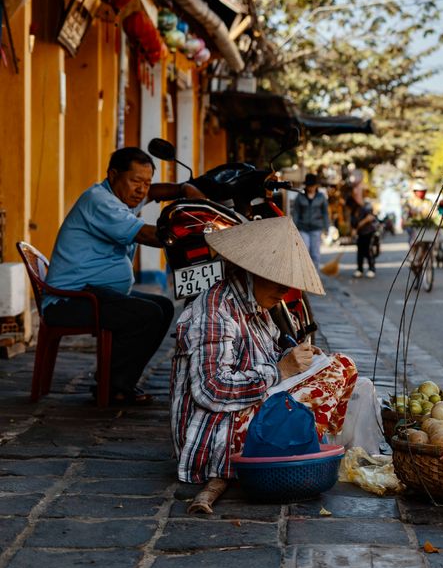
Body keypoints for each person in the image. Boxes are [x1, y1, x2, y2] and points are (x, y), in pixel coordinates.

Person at [170, 215, 358, 513]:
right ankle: (295, 445)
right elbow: (211, 388)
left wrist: (298, 354)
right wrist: (281, 370)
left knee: (339, 366)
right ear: (250, 272)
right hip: (219, 435)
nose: (285, 291)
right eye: (278, 279)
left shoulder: (256, 307)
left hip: (246, 412)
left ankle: (300, 442)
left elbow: (271, 346)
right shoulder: (214, 312)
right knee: (337, 370)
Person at [43, 147, 202, 405]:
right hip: (70, 302)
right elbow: (146, 235)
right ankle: (113, 384)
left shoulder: (120, 197)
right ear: (113, 175)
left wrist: (183, 190)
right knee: (146, 314)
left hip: (96, 294)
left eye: (146, 181)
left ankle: (118, 379)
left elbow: (154, 193)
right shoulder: (100, 200)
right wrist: (195, 233)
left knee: (162, 306)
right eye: (135, 181)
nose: (141, 189)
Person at [291, 173, 329, 270]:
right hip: (303, 228)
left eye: (312, 186)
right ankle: (305, 276)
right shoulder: (300, 197)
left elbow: (325, 213)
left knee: (315, 253)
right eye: (309, 186)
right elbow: (296, 213)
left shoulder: (321, 197)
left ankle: (315, 278)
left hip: (316, 228)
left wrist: (326, 228)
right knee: (305, 251)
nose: (310, 188)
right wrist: (293, 228)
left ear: (316, 185)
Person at [348, 197, 378, 279]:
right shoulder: (353, 213)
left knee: (368, 250)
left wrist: (360, 224)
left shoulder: (365, 207)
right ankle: (359, 269)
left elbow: (370, 218)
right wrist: (353, 231)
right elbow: (353, 224)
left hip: (368, 232)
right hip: (360, 234)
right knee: (360, 252)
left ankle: (371, 269)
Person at [402, 180, 432, 246]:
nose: (421, 193)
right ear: (415, 192)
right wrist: (404, 221)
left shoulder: (428, 201)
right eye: (419, 191)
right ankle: (412, 252)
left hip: (426, 225)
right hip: (413, 226)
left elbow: (433, 212)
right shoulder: (410, 201)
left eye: (423, 191)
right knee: (413, 241)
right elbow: (405, 214)